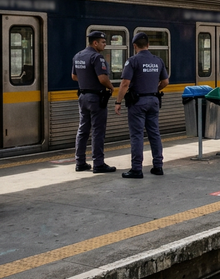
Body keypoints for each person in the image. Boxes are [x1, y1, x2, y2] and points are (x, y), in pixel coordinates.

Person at [115, 32, 169, 179]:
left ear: (134, 46)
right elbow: (165, 82)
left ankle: (137, 169)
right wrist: (153, 90)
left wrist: (118, 101)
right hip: (153, 101)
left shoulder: (133, 61)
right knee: (154, 134)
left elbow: (125, 83)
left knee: (137, 135)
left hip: (137, 103)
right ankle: (158, 166)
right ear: (148, 45)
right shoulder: (158, 60)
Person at [72, 31, 117, 173]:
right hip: (96, 98)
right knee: (98, 131)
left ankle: (80, 162)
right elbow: (103, 78)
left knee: (83, 130)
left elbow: (74, 76)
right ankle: (98, 163)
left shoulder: (78, 56)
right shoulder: (97, 57)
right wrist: (111, 87)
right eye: (103, 42)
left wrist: (87, 80)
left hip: (83, 97)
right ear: (95, 43)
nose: (105, 44)